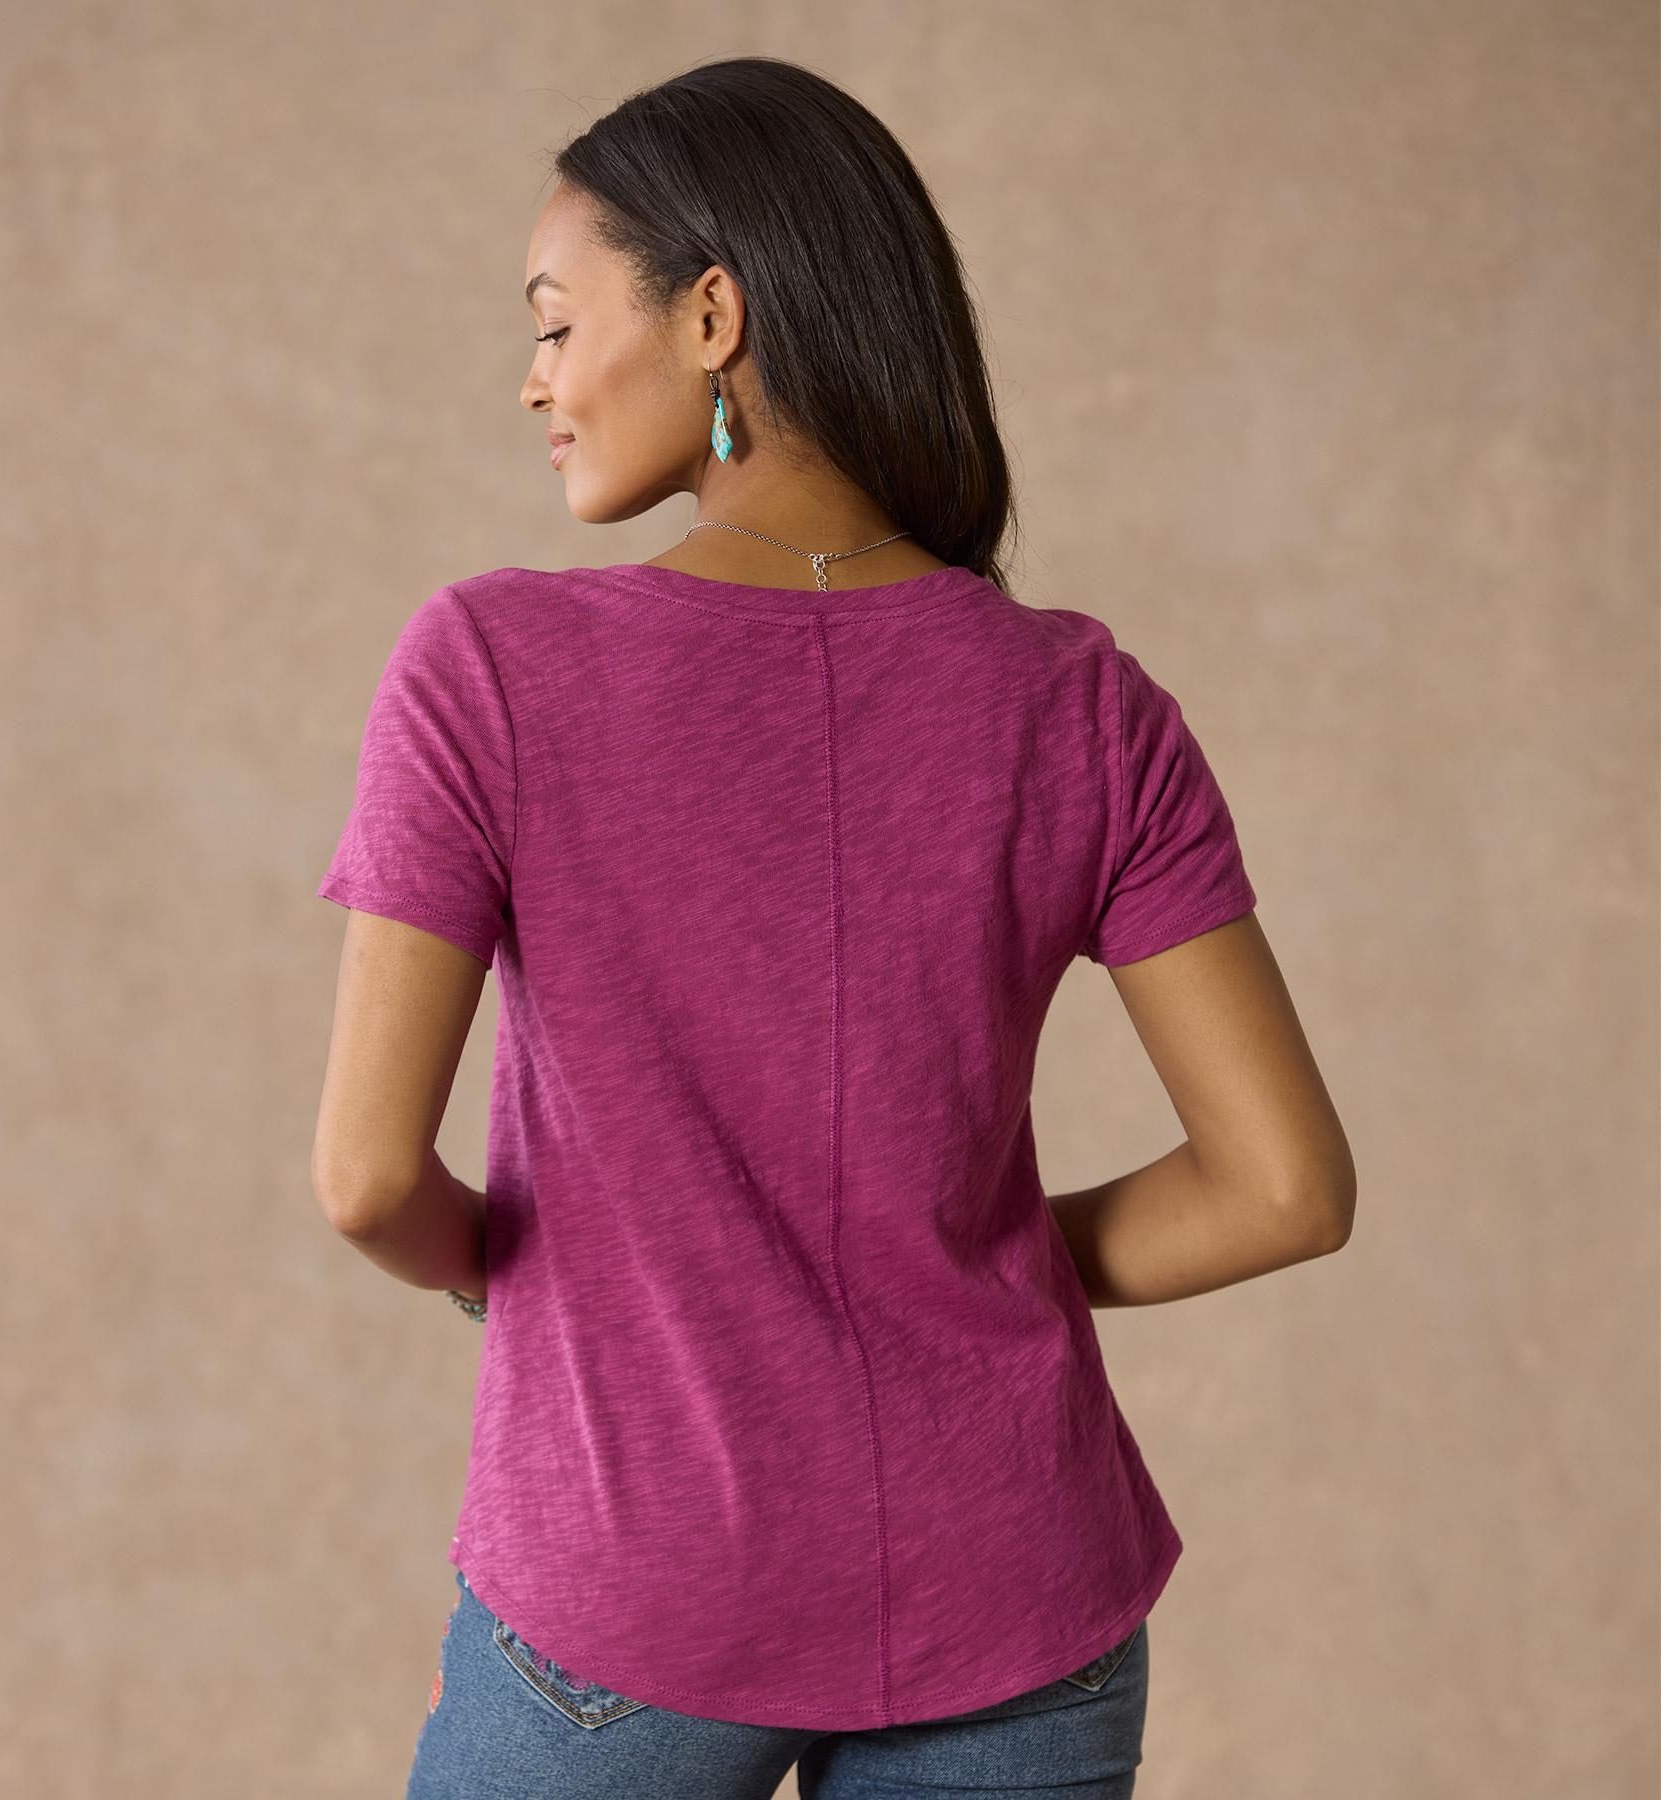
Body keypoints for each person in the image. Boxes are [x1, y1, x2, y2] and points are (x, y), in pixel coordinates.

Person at [311, 54, 1355, 1800]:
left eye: (557, 324)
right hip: (1016, 1589)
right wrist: (955, 1265)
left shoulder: (489, 668)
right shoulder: (1080, 702)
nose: (533, 380)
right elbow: (1284, 1189)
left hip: (641, 1576)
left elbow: (363, 1180)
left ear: (712, 314)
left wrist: (532, 1276)